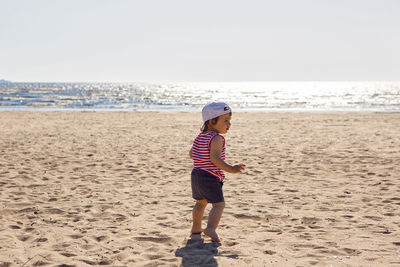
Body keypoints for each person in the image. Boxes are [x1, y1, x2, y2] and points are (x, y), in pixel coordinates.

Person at [189, 102, 245, 242]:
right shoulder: (217, 138)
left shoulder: (200, 136)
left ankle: (196, 228)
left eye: (229, 121)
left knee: (200, 203)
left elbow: (191, 154)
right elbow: (215, 159)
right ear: (212, 121)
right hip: (210, 176)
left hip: (196, 174)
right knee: (219, 204)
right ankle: (210, 228)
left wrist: (202, 159)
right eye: (225, 120)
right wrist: (231, 168)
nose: (229, 124)